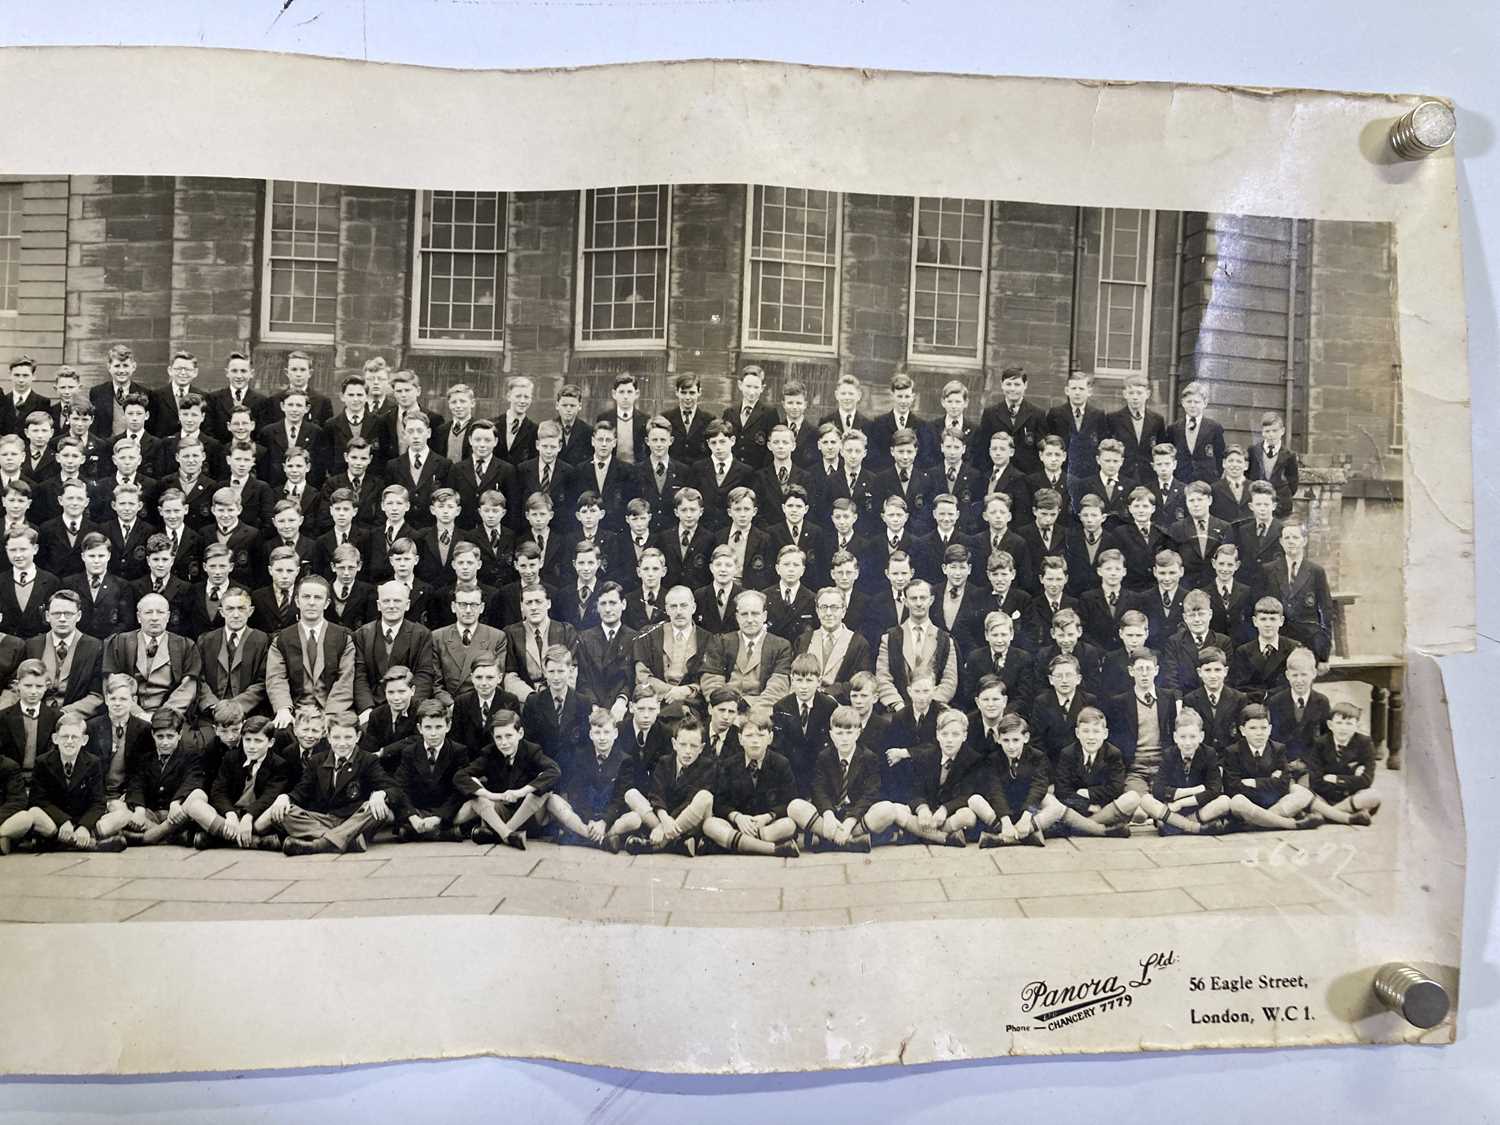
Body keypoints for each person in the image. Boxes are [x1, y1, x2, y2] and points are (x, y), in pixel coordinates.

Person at [265, 710, 394, 854]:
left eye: (348, 737)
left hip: (354, 819)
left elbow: (392, 787)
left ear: (357, 737)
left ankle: (320, 844)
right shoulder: (316, 761)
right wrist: (285, 797)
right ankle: (348, 841)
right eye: (336, 737)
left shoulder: (368, 760)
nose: (342, 743)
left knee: (375, 808)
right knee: (285, 813)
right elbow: (301, 790)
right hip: (324, 819)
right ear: (329, 737)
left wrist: (381, 794)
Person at [787, 704, 897, 853]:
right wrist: (828, 814)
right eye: (839, 733)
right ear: (831, 734)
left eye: (849, 733)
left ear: (858, 733)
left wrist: (849, 823)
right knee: (795, 806)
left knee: (888, 809)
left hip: (857, 816)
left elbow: (870, 794)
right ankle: (850, 842)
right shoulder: (824, 757)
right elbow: (818, 789)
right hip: (832, 815)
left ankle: (834, 840)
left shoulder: (868, 757)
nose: (844, 739)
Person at [15, 710, 127, 852]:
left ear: (84, 740)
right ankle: (91, 845)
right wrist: (63, 821)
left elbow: (98, 802)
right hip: (56, 822)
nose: (69, 741)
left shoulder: (93, 762)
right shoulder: (43, 762)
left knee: (123, 815)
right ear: (55, 738)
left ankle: (59, 843)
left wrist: (84, 826)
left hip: (83, 819)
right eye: (64, 737)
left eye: (74, 737)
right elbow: (38, 799)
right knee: (34, 812)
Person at [701, 706, 800, 857]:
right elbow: (720, 802)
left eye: (761, 735)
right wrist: (738, 817)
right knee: (709, 825)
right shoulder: (728, 765)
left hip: (766, 825)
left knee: (789, 825)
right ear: (740, 739)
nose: (755, 741)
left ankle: (736, 844)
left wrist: (768, 817)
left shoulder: (781, 763)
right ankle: (772, 849)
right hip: (738, 824)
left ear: (770, 738)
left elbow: (790, 801)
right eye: (749, 736)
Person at [182, 713, 290, 850]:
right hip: (230, 816)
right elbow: (218, 790)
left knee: (280, 809)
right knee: (195, 806)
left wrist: (248, 816)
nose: (251, 746)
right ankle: (254, 841)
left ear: (270, 743)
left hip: (256, 817)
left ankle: (220, 838)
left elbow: (269, 797)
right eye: (248, 740)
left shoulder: (279, 764)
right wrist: (230, 814)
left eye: (258, 741)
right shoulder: (231, 758)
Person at [454, 708, 559, 849]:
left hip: (527, 815)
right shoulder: (490, 753)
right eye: (498, 737)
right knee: (476, 797)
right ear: (493, 736)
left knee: (542, 789)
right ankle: (508, 835)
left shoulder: (531, 751)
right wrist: (492, 795)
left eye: (509, 736)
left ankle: (500, 835)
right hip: (501, 815)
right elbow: (460, 776)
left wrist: (520, 792)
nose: (504, 742)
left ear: (520, 733)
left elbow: (554, 771)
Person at [617, 715, 717, 856]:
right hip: (664, 820)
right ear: (674, 744)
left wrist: (665, 826)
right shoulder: (665, 762)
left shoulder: (707, 766)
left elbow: (690, 801)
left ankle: (657, 845)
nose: (688, 751)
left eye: (693, 746)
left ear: (701, 748)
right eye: (683, 744)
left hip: (688, 822)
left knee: (704, 797)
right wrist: (663, 822)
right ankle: (676, 842)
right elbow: (656, 794)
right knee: (631, 794)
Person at [545, 706, 638, 848]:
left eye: (606, 732)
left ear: (615, 733)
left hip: (609, 817)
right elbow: (577, 793)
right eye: (597, 732)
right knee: (553, 801)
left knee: (635, 819)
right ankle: (603, 841)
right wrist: (590, 821)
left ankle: (587, 837)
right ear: (590, 734)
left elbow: (619, 799)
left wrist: (604, 822)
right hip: (584, 817)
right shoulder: (580, 756)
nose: (602, 738)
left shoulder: (625, 760)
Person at [890, 709, 985, 847]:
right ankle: (943, 838)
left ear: (964, 736)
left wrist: (945, 809)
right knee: (895, 809)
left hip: (949, 814)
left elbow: (966, 794)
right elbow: (914, 790)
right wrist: (922, 809)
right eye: (944, 734)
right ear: (937, 735)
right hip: (927, 814)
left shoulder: (973, 759)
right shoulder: (926, 756)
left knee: (968, 816)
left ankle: (918, 834)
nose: (949, 740)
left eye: (955, 734)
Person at [1221, 703, 1320, 831]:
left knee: (1303, 793)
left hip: (1273, 803)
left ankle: (1255, 823)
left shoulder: (1278, 749)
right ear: (1242, 730)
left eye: (1263, 728)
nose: (1259, 733)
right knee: (1237, 801)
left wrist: (1255, 782)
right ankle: (1291, 824)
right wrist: (1271, 781)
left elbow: (1283, 784)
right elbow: (1233, 787)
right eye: (1253, 728)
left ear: (1270, 729)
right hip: (1248, 804)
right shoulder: (1233, 751)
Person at [119, 708, 208, 846]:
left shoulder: (191, 756)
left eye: (170, 736)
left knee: (197, 797)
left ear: (179, 734)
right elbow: (136, 783)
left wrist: (176, 802)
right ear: (153, 735)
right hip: (152, 814)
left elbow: (193, 781)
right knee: (119, 807)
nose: (165, 742)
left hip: (176, 814)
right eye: (160, 737)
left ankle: (148, 838)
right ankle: (172, 837)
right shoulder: (145, 758)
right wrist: (139, 809)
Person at [974, 714, 1066, 848]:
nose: (1011, 746)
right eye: (1006, 740)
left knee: (1056, 806)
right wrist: (1005, 821)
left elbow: (1038, 787)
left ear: (1026, 738)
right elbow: (995, 791)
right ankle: (1025, 836)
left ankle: (1005, 838)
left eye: (1016, 740)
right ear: (997, 739)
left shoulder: (1037, 756)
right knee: (974, 800)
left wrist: (1027, 816)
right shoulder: (993, 759)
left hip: (1027, 807)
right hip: (1003, 810)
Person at [1137, 709, 1231, 836]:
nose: (1187, 743)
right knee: (1146, 800)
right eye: (1182, 737)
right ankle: (1196, 828)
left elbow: (1214, 789)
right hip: (1172, 809)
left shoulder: (1209, 754)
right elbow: (1158, 789)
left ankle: (1174, 826)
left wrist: (1181, 803)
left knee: (1224, 801)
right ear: (1175, 737)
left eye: (1193, 737)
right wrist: (1191, 791)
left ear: (1201, 736)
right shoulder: (1169, 754)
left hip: (1197, 807)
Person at [1049, 706, 1140, 837]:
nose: (1091, 737)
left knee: (1132, 798)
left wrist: (1088, 793)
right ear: (1077, 733)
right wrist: (1087, 806)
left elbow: (1116, 788)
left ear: (1105, 734)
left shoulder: (1113, 754)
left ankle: (1078, 828)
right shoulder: (1068, 754)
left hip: (1103, 809)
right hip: (1077, 808)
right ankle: (1099, 829)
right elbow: (1062, 791)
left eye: (1096, 731)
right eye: (1085, 731)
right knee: (1050, 797)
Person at [387, 699, 470, 842]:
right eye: (428, 727)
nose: (433, 733)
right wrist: (412, 817)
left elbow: (460, 790)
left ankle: (417, 833)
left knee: (472, 804)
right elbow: (400, 787)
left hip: (446, 811)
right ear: (420, 728)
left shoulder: (458, 751)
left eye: (438, 727)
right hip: (419, 809)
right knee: (388, 803)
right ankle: (442, 833)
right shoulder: (410, 752)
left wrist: (439, 817)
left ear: (448, 726)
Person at [1305, 702, 1381, 826]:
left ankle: (1326, 816)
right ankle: (1348, 816)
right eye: (1339, 723)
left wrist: (1336, 779)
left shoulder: (1365, 743)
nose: (1343, 728)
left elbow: (1366, 780)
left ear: (1357, 726)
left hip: (1351, 797)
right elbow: (1315, 782)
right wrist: (1353, 778)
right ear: (1330, 725)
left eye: (1349, 724)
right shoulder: (1320, 743)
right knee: (1305, 794)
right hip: (1325, 796)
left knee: (1373, 795)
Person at [1249, 410, 1299, 517]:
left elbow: (1293, 482)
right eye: (1267, 431)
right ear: (1262, 432)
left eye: (1275, 431)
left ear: (1282, 431)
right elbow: (1249, 476)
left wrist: (1283, 496)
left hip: (1280, 504)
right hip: (1257, 503)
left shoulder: (1289, 455)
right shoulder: (1254, 451)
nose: (1271, 435)